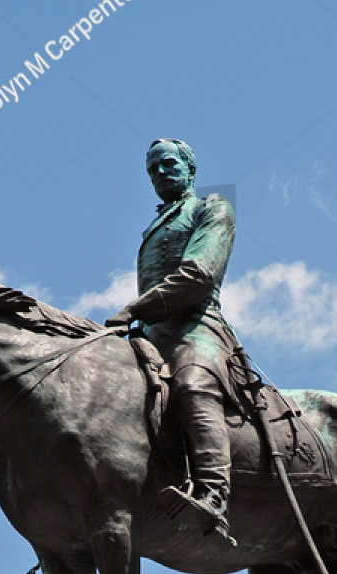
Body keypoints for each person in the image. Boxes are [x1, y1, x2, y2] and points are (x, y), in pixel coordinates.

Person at [105, 138, 241, 541]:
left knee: (191, 383)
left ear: (189, 168)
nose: (160, 174)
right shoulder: (153, 227)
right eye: (152, 171)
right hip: (149, 335)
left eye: (167, 164)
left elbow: (199, 275)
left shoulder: (212, 209)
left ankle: (214, 496)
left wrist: (135, 309)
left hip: (196, 327)